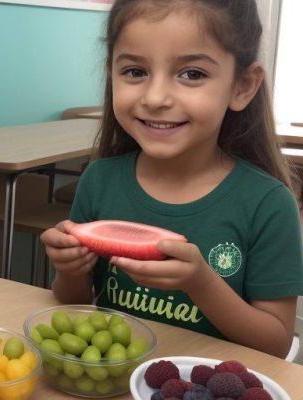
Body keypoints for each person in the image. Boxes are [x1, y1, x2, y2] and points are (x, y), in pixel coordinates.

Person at [40, 0, 303, 358]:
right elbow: (75, 302)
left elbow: (275, 344)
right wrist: (70, 270)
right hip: (116, 378)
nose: (155, 98)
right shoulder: (99, 180)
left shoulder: (268, 204)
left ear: (242, 86)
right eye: (135, 71)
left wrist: (202, 284)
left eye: (192, 74)